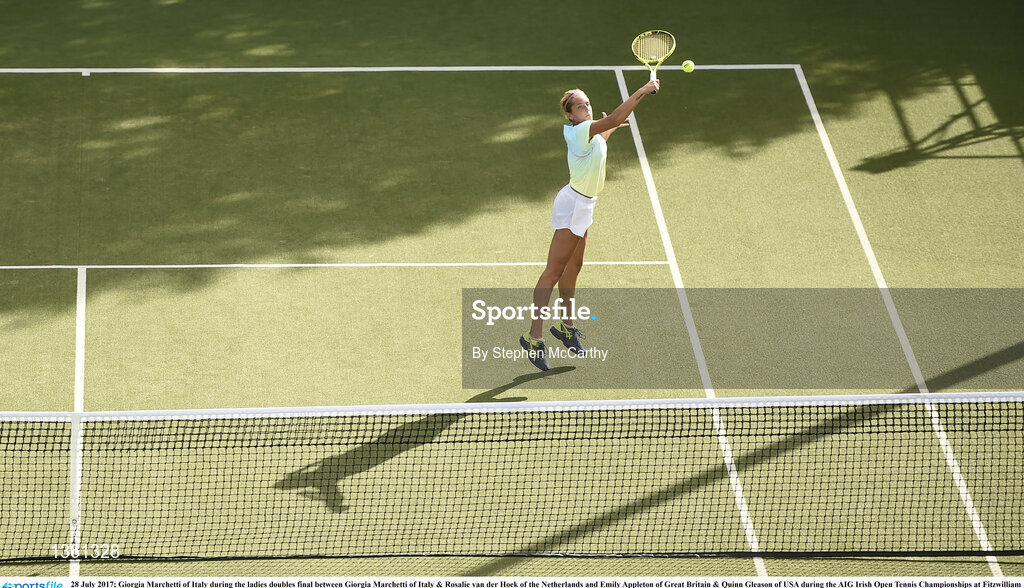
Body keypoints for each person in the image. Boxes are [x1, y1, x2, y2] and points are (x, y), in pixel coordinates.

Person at [519, 78, 661, 371]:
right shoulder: (579, 130)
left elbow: (605, 131)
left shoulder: (590, 133)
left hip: (585, 206)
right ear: (570, 115)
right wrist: (643, 91)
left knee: (573, 269)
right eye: (580, 106)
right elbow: (613, 118)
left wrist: (610, 126)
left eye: (588, 104)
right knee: (553, 272)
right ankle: (533, 338)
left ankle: (566, 327)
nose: (586, 108)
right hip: (573, 206)